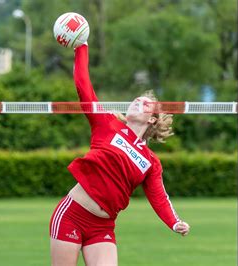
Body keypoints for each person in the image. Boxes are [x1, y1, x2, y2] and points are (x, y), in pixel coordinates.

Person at [49, 43, 190, 266]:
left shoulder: (151, 162)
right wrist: (82, 46)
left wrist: (174, 222)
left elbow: (159, 198)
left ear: (152, 120)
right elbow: (84, 86)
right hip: (72, 215)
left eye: (145, 104)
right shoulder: (106, 124)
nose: (138, 101)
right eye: (137, 99)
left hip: (102, 227)